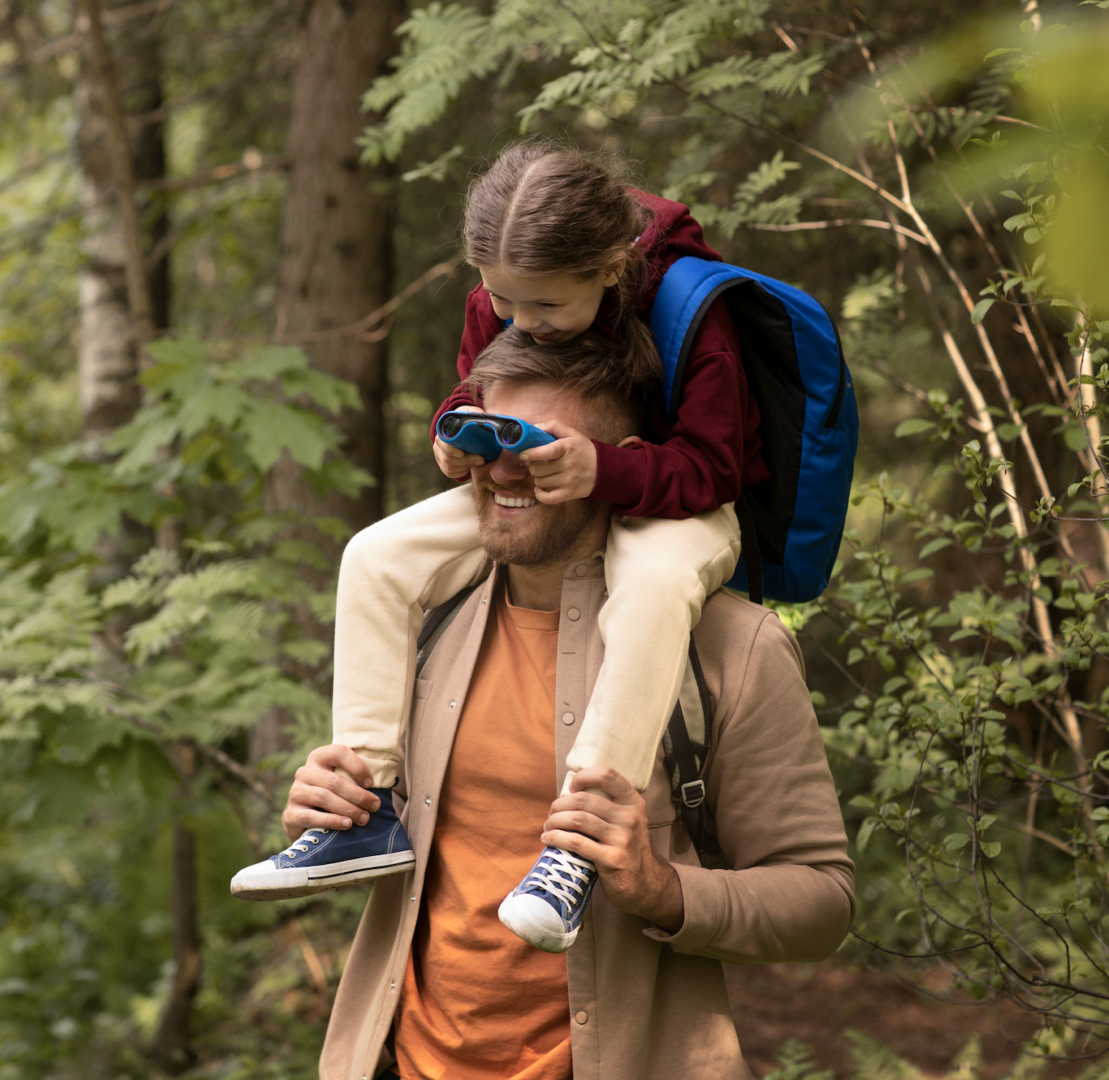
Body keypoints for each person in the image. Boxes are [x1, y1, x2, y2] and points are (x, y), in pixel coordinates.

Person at [230, 143, 761, 956]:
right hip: (538, 485)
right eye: (501, 298)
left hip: (668, 498)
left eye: (544, 307)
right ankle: (366, 809)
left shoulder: (690, 301)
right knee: (374, 555)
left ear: (611, 266)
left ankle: (576, 846)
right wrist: (454, 432)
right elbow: (476, 382)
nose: (519, 323)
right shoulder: (507, 299)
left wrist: (605, 467)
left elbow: (719, 464)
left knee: (653, 586)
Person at [301, 333, 854, 1080]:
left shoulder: (730, 646)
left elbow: (821, 900)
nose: (501, 471)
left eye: (535, 448)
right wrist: (337, 802)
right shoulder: (424, 616)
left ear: (616, 461)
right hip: (397, 1060)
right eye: (488, 438)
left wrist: (660, 889)